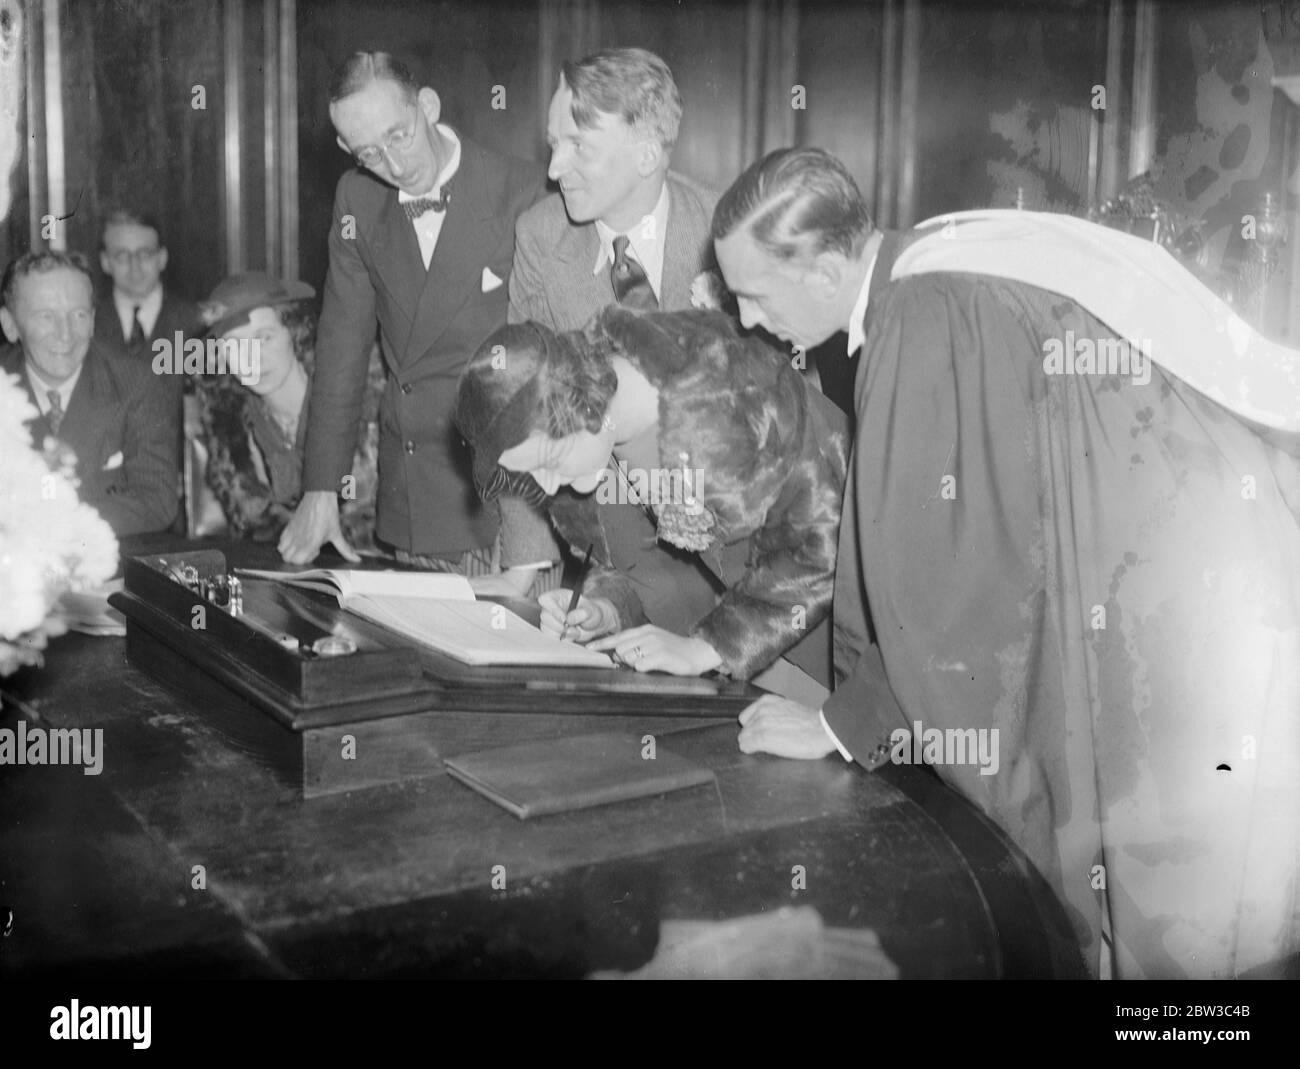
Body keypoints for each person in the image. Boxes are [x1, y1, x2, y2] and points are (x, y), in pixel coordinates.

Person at [713, 147, 1300, 979]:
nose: (742, 317)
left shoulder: (924, 315)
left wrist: (842, 724)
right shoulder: (937, 260)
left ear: (830, 263)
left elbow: (954, 587)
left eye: (755, 292)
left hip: (1155, 617)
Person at [454, 304, 846, 690]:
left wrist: (708, 647)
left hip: (856, 641)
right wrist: (606, 610)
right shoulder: (599, 433)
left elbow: (824, 542)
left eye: (551, 462)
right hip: (773, 653)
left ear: (581, 406)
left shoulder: (725, 387)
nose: (551, 487)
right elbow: (660, 567)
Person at [278, 51, 546, 571]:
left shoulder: (524, 190)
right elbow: (341, 349)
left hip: (506, 506)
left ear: (427, 105)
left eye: (399, 136)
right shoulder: (356, 198)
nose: (395, 167)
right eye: (369, 153)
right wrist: (320, 488)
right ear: (345, 148)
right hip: (413, 501)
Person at [494, 46, 723, 607]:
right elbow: (523, 402)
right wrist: (523, 563)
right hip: (610, 560)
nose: (552, 169)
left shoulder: (726, 234)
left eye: (579, 147)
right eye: (553, 145)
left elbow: (788, 414)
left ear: (647, 155)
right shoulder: (540, 238)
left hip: (727, 551)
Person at [0, 249, 179, 536]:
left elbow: (158, 501)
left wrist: (58, 520)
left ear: (93, 319)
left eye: (79, 314)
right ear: (10, 326)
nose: (65, 333)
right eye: (46, 316)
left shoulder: (135, 383)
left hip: (104, 566)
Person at [194, 272, 379, 548]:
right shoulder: (231, 422)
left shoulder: (354, 396)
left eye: (264, 338)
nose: (251, 360)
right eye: (234, 346)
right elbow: (253, 523)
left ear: (293, 331)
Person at [94, 208, 200, 361]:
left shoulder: (195, 325)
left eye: (144, 254)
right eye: (122, 256)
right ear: (105, 262)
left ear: (162, 258)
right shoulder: (89, 325)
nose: (135, 266)